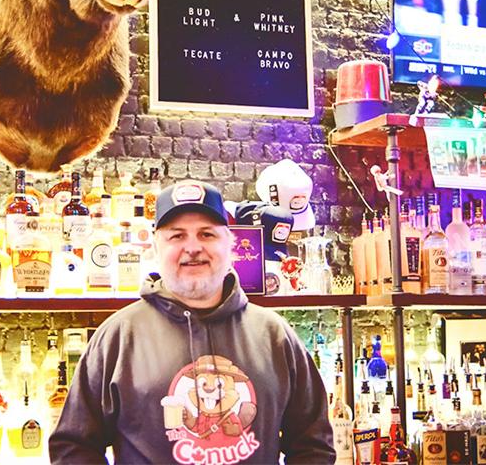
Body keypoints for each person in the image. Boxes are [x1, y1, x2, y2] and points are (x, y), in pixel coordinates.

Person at [49, 180, 335, 464]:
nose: (193, 247)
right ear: (156, 245)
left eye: (207, 234)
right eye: (177, 236)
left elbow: (314, 445)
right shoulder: (118, 337)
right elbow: (73, 447)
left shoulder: (275, 335)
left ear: (230, 242)